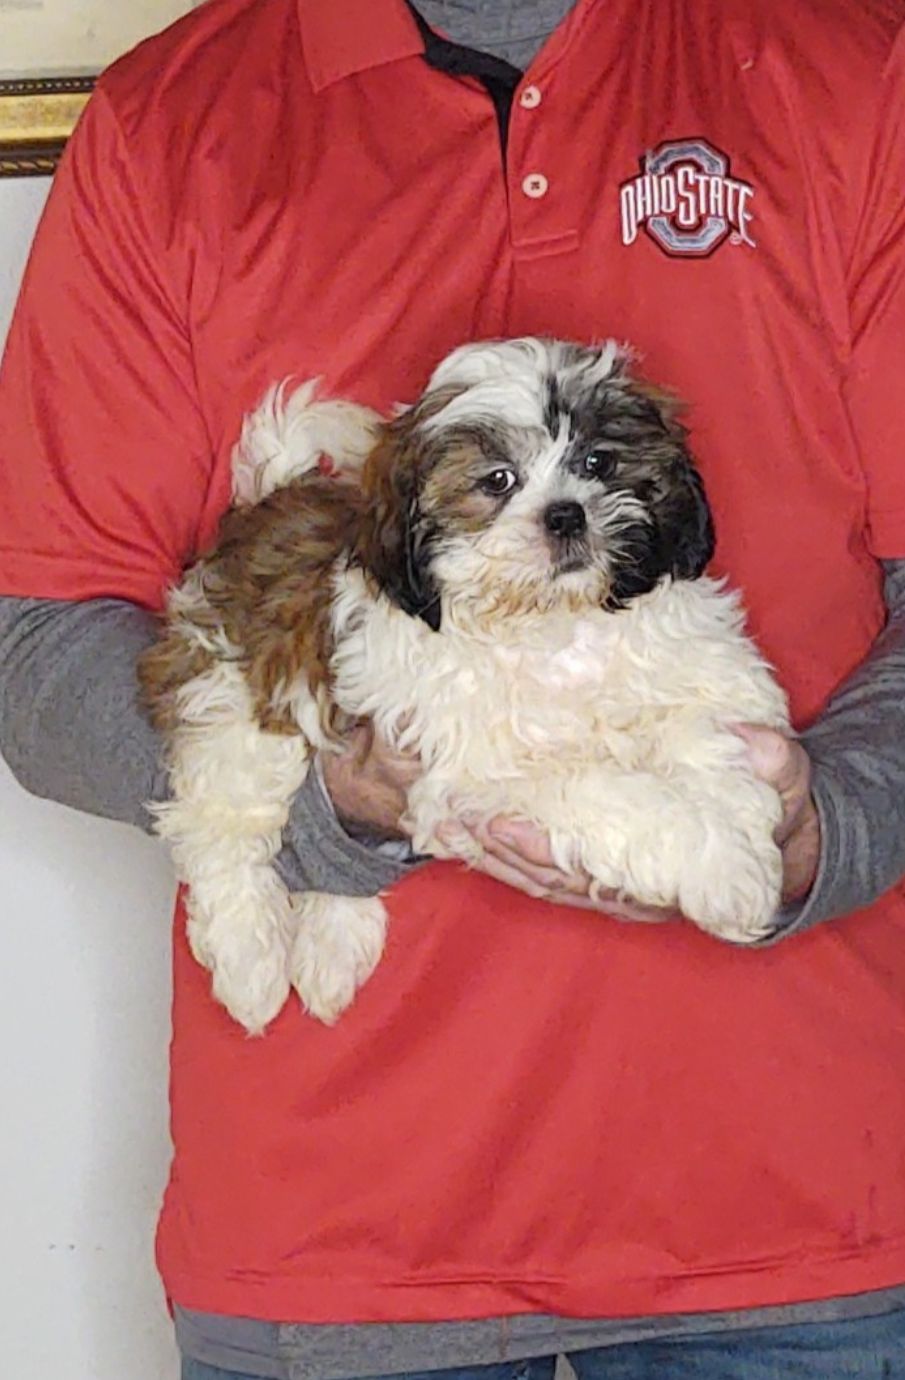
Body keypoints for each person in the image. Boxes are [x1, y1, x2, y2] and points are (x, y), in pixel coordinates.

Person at [2, 1, 905, 1376]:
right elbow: (33, 640)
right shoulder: (171, 118)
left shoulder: (859, 70)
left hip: (797, 1225)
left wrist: (827, 827)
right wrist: (316, 804)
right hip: (333, 1235)